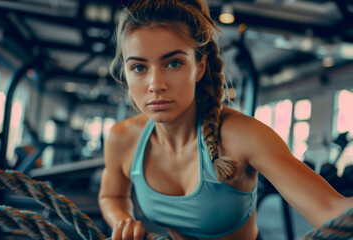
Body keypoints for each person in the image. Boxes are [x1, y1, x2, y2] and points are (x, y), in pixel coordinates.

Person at [98, 1, 353, 239]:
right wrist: (123, 221)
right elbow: (111, 195)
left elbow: (332, 210)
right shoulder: (123, 138)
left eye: (173, 63)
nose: (155, 85)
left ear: (199, 67)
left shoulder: (242, 136)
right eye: (139, 68)